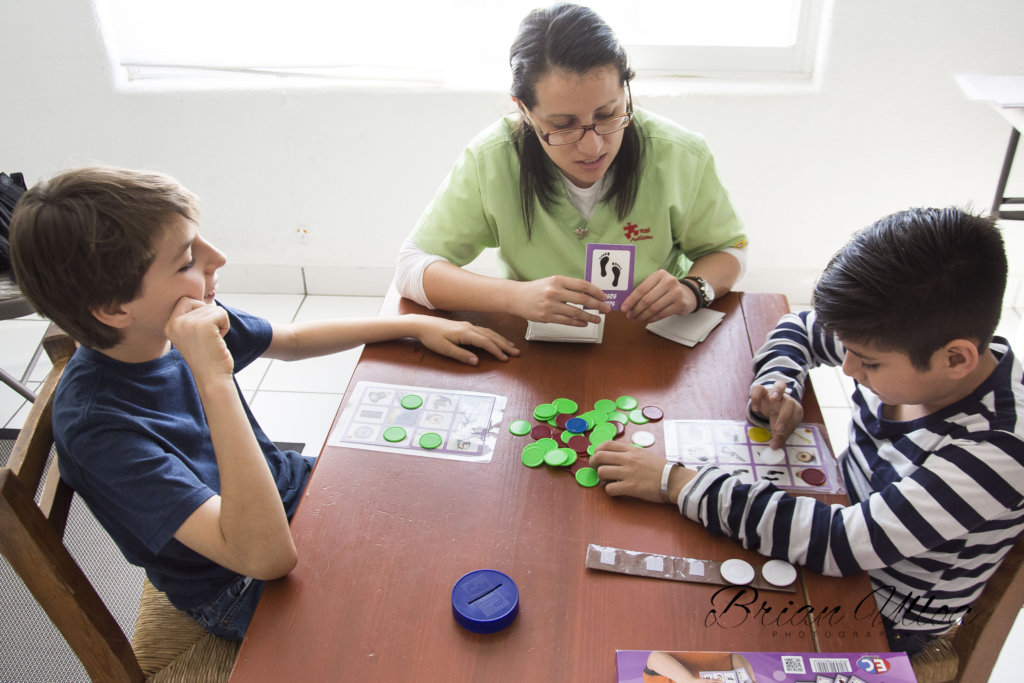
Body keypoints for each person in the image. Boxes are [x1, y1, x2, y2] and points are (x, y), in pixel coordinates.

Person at [8, 166, 519, 640]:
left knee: (470, 502)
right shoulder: (99, 429)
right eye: (187, 259)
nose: (218, 258)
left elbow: (291, 339)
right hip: (238, 584)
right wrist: (213, 377)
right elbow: (264, 557)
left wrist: (412, 325)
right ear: (113, 309)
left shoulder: (177, 322)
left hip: (294, 494)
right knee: (426, 619)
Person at [589, 207, 1024, 654]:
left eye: (868, 363)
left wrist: (673, 481)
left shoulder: (997, 449)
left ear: (956, 359)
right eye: (848, 351)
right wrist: (778, 381)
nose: (848, 368)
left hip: (883, 611)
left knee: (675, 622)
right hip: (839, 513)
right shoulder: (905, 336)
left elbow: (841, 543)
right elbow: (800, 328)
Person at [394, 2, 747, 328]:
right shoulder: (492, 159)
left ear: (625, 88)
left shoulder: (680, 154)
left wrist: (692, 289)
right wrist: (516, 296)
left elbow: (730, 249)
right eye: (563, 125)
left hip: (647, 336)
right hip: (535, 341)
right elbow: (412, 267)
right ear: (524, 110)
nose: (592, 146)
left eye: (608, 114)